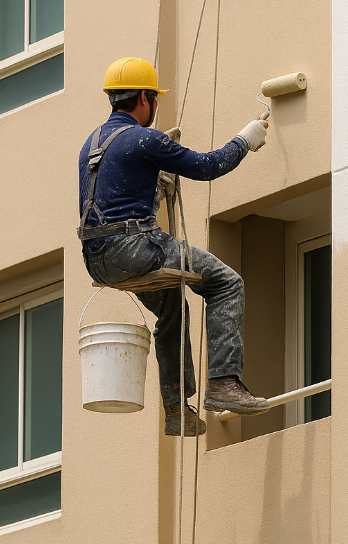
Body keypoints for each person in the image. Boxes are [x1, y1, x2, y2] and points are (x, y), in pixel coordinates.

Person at [78, 56, 271, 436]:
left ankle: (175, 409)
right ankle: (224, 384)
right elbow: (207, 166)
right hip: (135, 247)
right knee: (226, 282)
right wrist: (244, 141)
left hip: (96, 258)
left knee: (172, 305)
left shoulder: (92, 143)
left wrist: (154, 179)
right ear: (145, 98)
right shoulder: (144, 139)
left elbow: (113, 195)